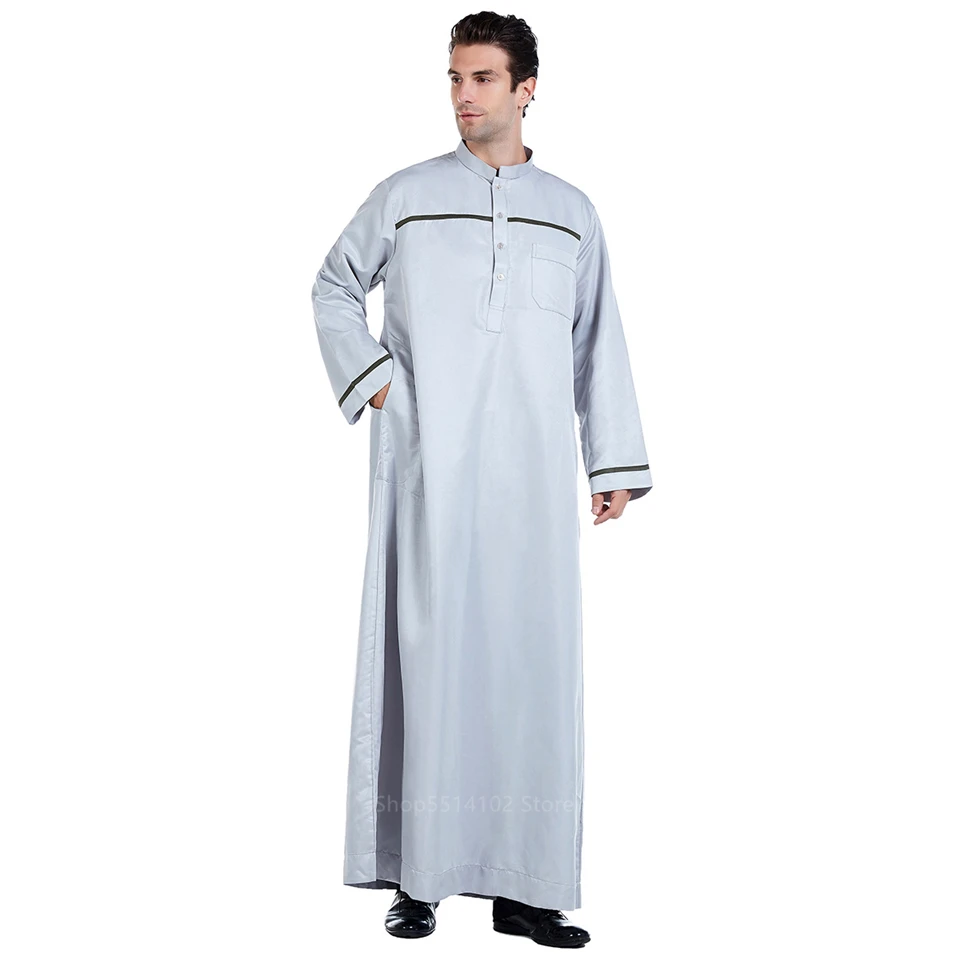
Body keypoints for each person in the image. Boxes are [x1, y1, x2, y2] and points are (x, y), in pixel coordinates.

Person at [310, 11, 652, 947]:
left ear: (526, 88)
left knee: (531, 674)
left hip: (533, 484)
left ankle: (525, 888)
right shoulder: (407, 195)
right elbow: (333, 284)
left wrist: (611, 459)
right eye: (455, 78)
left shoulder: (572, 211)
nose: (464, 96)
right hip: (429, 474)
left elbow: (597, 339)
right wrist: (377, 382)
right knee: (430, 661)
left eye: (483, 78)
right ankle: (418, 876)